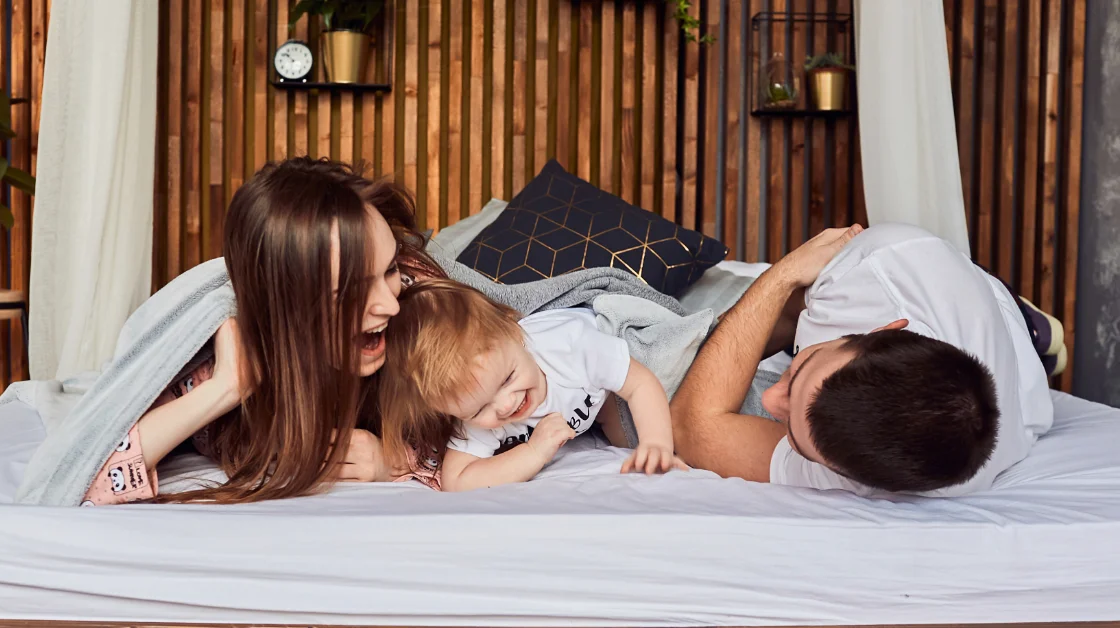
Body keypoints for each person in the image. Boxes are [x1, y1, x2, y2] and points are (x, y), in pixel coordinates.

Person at [83, 157, 445, 505]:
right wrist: (225, 388)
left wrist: (395, 463)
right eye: (352, 290)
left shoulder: (419, 301)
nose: (390, 305)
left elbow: (496, 411)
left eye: (388, 271)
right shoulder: (217, 351)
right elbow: (82, 479)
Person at [670, 222, 1054, 497]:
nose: (771, 400)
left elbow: (691, 428)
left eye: (796, 441)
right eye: (802, 369)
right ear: (884, 328)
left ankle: (1031, 331)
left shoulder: (876, 467)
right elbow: (772, 316)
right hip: (947, 273)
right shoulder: (867, 267)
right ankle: (1028, 320)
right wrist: (785, 274)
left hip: (1021, 372)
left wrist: (783, 274)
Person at [378, 279, 686, 492]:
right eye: (480, 409)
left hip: (598, 355)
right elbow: (457, 481)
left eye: (508, 378)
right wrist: (533, 452)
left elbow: (641, 383)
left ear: (515, 332)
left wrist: (656, 443)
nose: (504, 405)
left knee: (637, 426)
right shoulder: (475, 407)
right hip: (579, 400)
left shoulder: (572, 348)